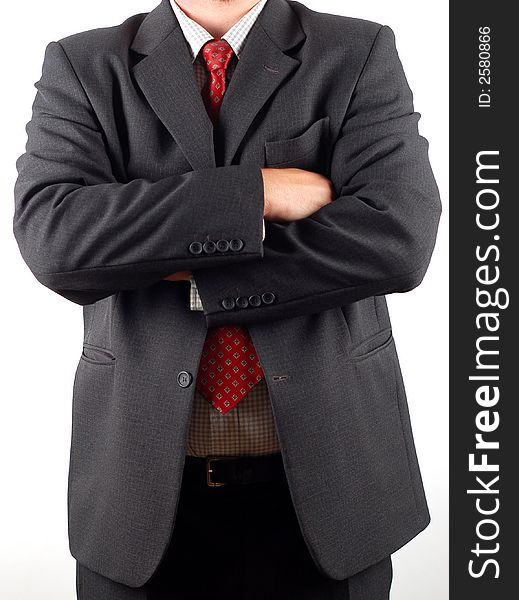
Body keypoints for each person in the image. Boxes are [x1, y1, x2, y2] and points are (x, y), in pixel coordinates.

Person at [13, 0, 442, 598]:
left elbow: (398, 239)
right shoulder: (84, 64)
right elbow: (57, 240)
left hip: (332, 484)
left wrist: (188, 277)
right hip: (138, 495)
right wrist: (257, 194)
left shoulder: (357, 51)